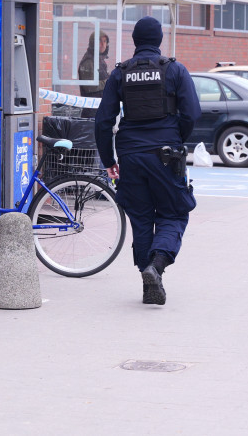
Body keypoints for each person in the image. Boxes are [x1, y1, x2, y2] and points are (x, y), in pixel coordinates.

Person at [94, 16, 200, 305]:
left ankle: (148, 282)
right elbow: (192, 113)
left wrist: (108, 159)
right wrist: (176, 138)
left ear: (135, 41)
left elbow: (103, 121)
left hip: (130, 156)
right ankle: (157, 266)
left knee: (142, 219)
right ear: (159, 40)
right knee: (174, 213)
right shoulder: (175, 70)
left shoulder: (120, 73)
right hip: (166, 156)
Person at [78, 31, 109, 117]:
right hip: (92, 113)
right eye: (100, 41)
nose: (103, 44)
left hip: (100, 110)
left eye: (105, 41)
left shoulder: (100, 61)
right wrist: (108, 81)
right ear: (93, 43)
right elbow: (90, 86)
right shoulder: (88, 62)